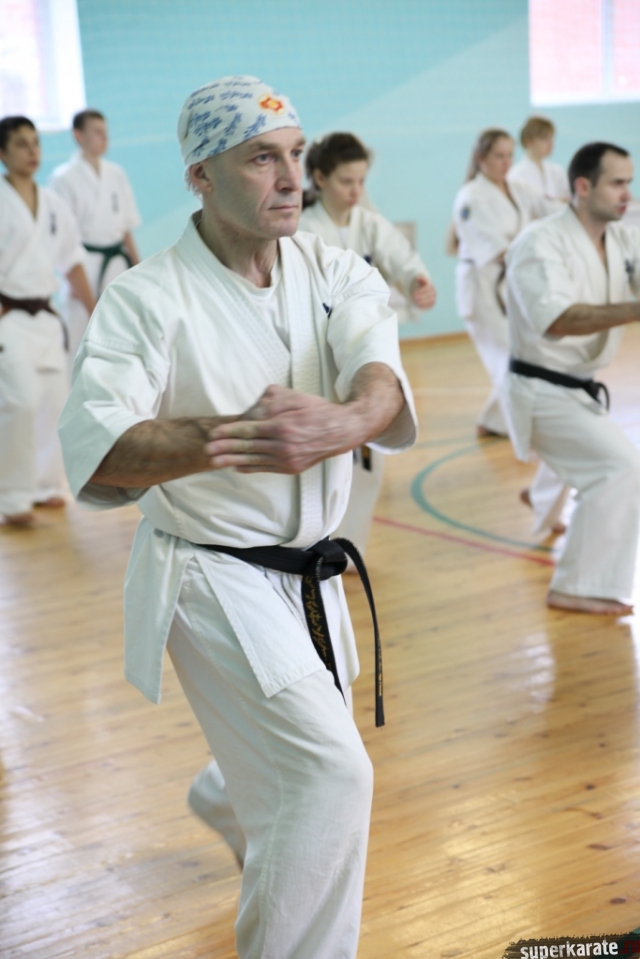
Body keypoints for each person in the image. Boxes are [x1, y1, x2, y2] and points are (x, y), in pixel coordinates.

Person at [58, 76, 417, 958]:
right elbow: (98, 450)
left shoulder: (332, 267)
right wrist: (231, 434)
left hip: (308, 570)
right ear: (200, 176)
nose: (292, 177)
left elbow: (378, 373)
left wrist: (347, 420)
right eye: (262, 158)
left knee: (301, 763)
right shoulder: (147, 297)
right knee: (329, 777)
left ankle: (228, 793)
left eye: (296, 154)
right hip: (212, 569)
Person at [504, 141, 640, 615]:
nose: (627, 193)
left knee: (612, 467)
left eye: (629, 183)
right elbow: (558, 319)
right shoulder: (540, 243)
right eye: (617, 183)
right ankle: (576, 585)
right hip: (540, 389)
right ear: (583, 186)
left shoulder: (622, 239)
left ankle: (582, 576)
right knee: (620, 466)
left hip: (577, 389)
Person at [299, 132, 435, 555]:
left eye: (361, 181)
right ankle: (311, 545)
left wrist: (416, 280)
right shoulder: (303, 229)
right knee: (324, 462)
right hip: (314, 357)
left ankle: (346, 550)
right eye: (346, 182)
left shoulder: (368, 223)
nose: (356, 191)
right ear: (320, 177)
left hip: (363, 355)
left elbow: (400, 255)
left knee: (369, 465)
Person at [0, 115, 95, 526]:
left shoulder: (53, 203)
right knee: (20, 402)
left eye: (35, 142)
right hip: (8, 316)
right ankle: (11, 498)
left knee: (53, 403)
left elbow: (71, 261)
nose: (32, 151)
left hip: (46, 317)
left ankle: (44, 485)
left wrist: (95, 308)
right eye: (21, 144)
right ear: (2, 153)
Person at [452, 128, 556, 438]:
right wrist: (545, 255)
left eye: (510, 155)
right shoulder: (470, 198)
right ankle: (523, 430)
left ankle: (492, 421)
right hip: (482, 288)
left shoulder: (518, 188)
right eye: (499, 156)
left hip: (509, 286)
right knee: (508, 357)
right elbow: (499, 251)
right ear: (480, 157)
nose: (506, 162)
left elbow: (554, 209)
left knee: (522, 352)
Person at [49, 109, 141, 358]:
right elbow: (61, 239)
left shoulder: (116, 173)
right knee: (79, 336)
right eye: (98, 132)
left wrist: (137, 268)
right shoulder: (63, 178)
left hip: (117, 262)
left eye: (105, 132)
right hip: (82, 264)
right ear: (78, 136)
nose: (104, 138)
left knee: (121, 335)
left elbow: (125, 228)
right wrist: (71, 279)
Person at [508, 116, 570, 202]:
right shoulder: (516, 175)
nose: (550, 143)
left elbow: (570, 199)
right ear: (528, 141)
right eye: (544, 138)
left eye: (551, 138)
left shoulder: (557, 171)